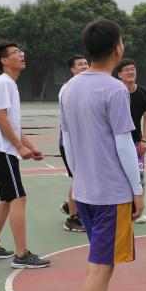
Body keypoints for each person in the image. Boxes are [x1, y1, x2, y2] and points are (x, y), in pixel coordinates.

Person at [60, 19, 145, 291]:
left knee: (98, 264)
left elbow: (66, 140)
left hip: (85, 190)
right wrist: (136, 189)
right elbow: (124, 143)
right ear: (117, 49)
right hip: (110, 193)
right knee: (101, 269)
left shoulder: (68, 89)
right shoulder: (114, 90)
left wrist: (78, 179)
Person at [0, 41, 50, 269]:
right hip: (1, 150)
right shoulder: (3, 83)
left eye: (21, 52)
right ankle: (22, 255)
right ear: (4, 60)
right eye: (16, 53)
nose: (21, 55)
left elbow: (13, 124)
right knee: (19, 198)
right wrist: (19, 147)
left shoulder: (9, 84)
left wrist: (30, 146)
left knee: (7, 199)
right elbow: (0, 118)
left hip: (0, 149)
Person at [114, 57, 146, 224]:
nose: (131, 72)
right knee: (117, 176)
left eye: (133, 69)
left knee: (139, 176)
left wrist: (144, 140)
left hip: (136, 142)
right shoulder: (114, 93)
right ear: (119, 74)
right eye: (127, 70)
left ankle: (138, 210)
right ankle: (117, 209)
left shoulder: (144, 93)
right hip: (115, 143)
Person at [59, 55, 90, 233]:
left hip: (84, 141)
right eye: (80, 64)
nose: (84, 66)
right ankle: (72, 218)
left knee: (83, 178)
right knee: (77, 178)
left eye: (86, 63)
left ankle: (73, 207)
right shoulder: (68, 88)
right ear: (72, 69)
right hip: (70, 142)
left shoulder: (87, 87)